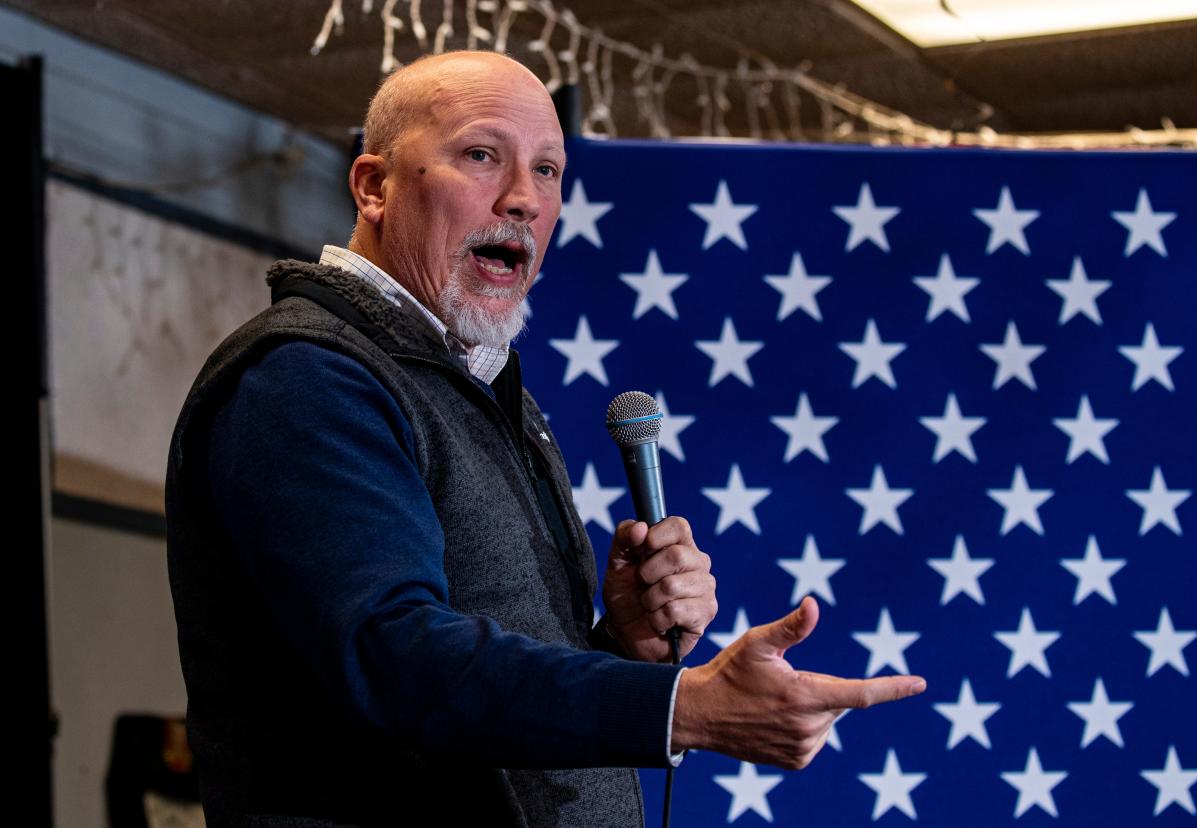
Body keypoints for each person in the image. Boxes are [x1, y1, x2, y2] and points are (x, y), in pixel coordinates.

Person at [165, 50, 926, 827]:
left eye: (551, 170)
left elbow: (487, 725)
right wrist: (680, 707)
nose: (525, 199)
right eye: (481, 156)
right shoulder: (307, 378)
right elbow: (391, 657)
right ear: (374, 187)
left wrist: (618, 644)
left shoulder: (478, 388)